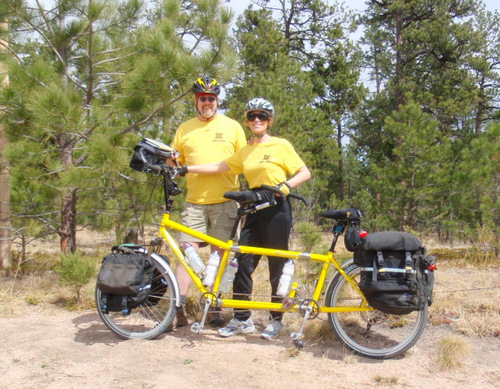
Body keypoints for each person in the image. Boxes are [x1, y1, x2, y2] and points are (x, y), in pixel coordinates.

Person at [181, 98, 311, 340]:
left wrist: (284, 186)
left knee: (276, 266)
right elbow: (220, 166)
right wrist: (187, 169)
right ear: (247, 121)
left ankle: (275, 320)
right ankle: (242, 317)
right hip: (252, 209)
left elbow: (304, 172)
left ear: (270, 120)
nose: (257, 120)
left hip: (276, 209)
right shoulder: (247, 149)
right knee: (242, 264)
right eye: (252, 116)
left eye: (262, 116)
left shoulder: (280, 145)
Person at [169, 77, 247, 329]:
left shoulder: (233, 127)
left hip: (225, 201)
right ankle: (177, 307)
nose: (207, 103)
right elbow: (175, 161)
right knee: (186, 254)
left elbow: (246, 159)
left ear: (217, 100)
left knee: (219, 256)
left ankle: (213, 305)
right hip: (194, 201)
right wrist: (170, 160)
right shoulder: (184, 128)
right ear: (196, 101)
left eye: (211, 99)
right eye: (202, 99)